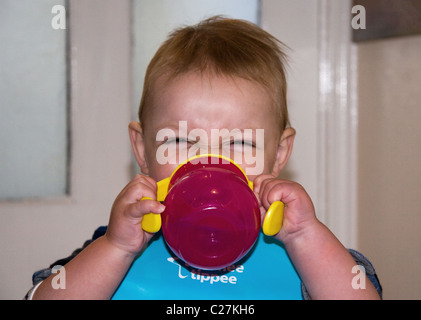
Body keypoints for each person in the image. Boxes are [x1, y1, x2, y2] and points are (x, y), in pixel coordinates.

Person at [26, 16, 381, 300]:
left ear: (279, 154)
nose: (207, 162)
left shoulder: (302, 253)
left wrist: (305, 236)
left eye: (240, 143)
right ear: (142, 150)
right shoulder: (122, 243)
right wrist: (115, 248)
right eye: (180, 139)